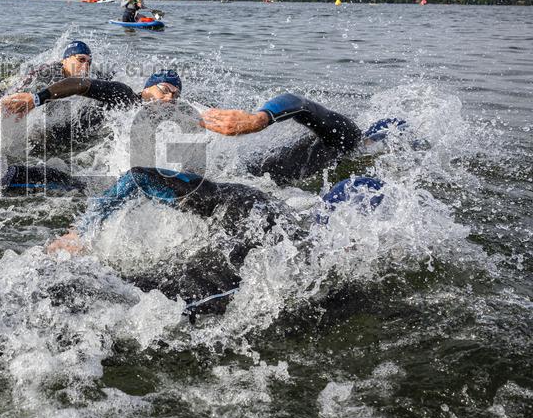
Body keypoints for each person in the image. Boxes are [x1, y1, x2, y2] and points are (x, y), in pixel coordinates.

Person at [47, 166, 386, 318]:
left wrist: (83, 234)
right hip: (178, 301)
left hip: (152, 292)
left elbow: (138, 178)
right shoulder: (248, 207)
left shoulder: (249, 200)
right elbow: (138, 176)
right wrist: (82, 231)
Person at [199, 92, 407, 185]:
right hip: (254, 175)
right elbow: (300, 103)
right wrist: (259, 119)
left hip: (263, 182)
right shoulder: (347, 137)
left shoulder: (351, 158)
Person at [0, 69, 183, 118]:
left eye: (175, 96)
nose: (169, 98)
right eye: (165, 90)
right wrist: (37, 98)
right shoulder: (124, 95)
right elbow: (80, 83)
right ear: (147, 88)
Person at [6, 40, 113, 94]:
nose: (86, 67)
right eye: (81, 60)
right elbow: (18, 89)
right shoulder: (48, 74)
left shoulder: (93, 75)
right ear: (65, 60)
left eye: (89, 62)